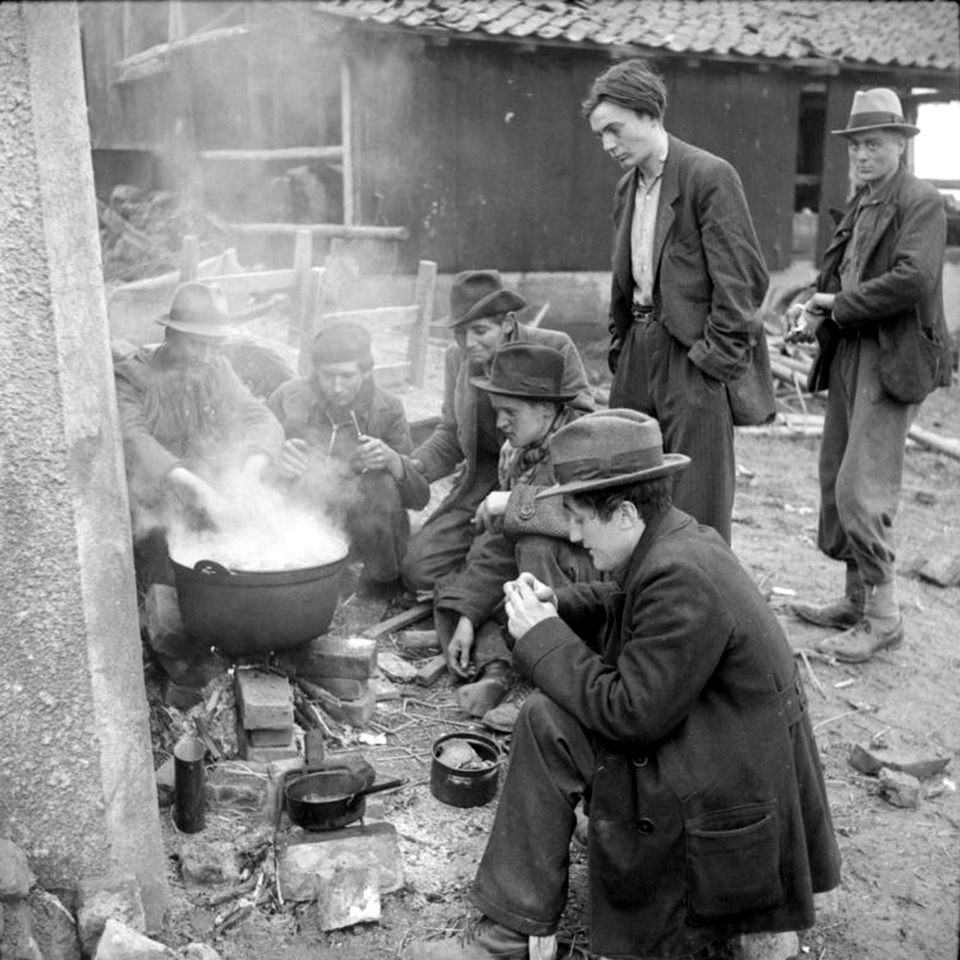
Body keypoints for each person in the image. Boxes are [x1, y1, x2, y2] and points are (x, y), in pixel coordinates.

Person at [403, 409, 841, 960]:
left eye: (582, 518)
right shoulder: (676, 539)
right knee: (552, 715)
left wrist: (542, 641)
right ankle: (517, 925)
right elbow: (623, 603)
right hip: (720, 743)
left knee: (546, 721)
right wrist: (556, 604)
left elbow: (632, 715)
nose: (575, 533)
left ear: (627, 511)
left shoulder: (680, 574)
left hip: (725, 783)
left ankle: (510, 937)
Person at [787, 88, 950, 663]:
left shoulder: (920, 200)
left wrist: (837, 302)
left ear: (900, 146)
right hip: (853, 353)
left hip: (895, 356)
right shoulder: (860, 203)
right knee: (837, 474)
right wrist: (812, 307)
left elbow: (912, 280)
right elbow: (836, 278)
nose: (862, 155)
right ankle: (856, 600)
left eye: (874, 144)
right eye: (856, 145)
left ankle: (885, 617)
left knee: (862, 487)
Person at [583, 58, 775, 544]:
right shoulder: (627, 187)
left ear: (649, 115)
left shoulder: (708, 176)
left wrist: (711, 363)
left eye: (615, 130)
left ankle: (703, 608)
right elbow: (625, 277)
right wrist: (621, 348)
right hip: (638, 350)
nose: (607, 145)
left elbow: (744, 281)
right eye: (600, 135)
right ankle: (638, 606)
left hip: (691, 357)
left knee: (697, 501)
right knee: (627, 490)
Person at [400, 269, 593, 593]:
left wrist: (522, 468)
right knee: (417, 569)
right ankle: (482, 580)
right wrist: (413, 467)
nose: (468, 343)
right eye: (460, 332)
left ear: (507, 323)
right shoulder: (457, 358)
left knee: (520, 555)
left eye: (479, 330)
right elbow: (451, 433)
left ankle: (487, 583)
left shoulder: (554, 346)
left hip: (545, 479)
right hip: (482, 476)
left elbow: (584, 429)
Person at [434, 342, 598, 719]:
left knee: (533, 545)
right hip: (543, 579)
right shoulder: (521, 449)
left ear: (547, 410)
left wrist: (511, 504)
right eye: (496, 412)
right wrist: (467, 615)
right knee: (456, 591)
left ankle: (553, 679)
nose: (499, 424)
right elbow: (498, 544)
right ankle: (497, 669)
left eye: (510, 413)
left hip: (591, 587)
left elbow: (583, 520)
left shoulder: (583, 446)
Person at [114, 281, 285, 589]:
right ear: (170, 335)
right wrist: (203, 492)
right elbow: (134, 440)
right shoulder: (132, 375)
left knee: (256, 538)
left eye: (213, 346)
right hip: (153, 498)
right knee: (169, 575)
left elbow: (260, 418)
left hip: (205, 485)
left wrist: (248, 474)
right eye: (196, 344)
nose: (206, 356)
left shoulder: (217, 369)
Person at [267, 321, 430, 591]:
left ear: (366, 372)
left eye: (347, 376)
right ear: (315, 372)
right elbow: (248, 465)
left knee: (381, 484)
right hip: (299, 526)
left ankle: (380, 584)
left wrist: (394, 461)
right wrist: (276, 459)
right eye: (328, 376)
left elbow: (419, 497)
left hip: (363, 531)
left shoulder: (388, 408)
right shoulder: (287, 399)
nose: (337, 387)